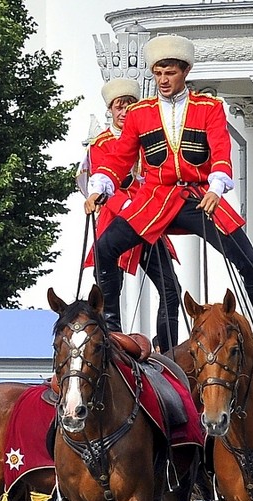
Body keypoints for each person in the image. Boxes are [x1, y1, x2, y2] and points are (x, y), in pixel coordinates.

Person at [84, 34, 253, 339]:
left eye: (170, 72)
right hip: (154, 199)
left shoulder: (209, 107)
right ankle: (111, 329)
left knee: (248, 259)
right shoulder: (140, 113)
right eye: (158, 73)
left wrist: (216, 188)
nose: (163, 80)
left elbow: (220, 150)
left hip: (199, 195)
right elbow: (121, 157)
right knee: (105, 248)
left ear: (185, 71)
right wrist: (100, 188)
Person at [83, 77, 181, 351]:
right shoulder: (101, 144)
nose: (125, 111)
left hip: (150, 220)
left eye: (129, 105)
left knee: (170, 290)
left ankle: (167, 347)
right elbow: (107, 188)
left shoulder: (150, 138)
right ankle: (112, 341)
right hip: (116, 223)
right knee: (108, 292)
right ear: (111, 111)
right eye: (119, 106)